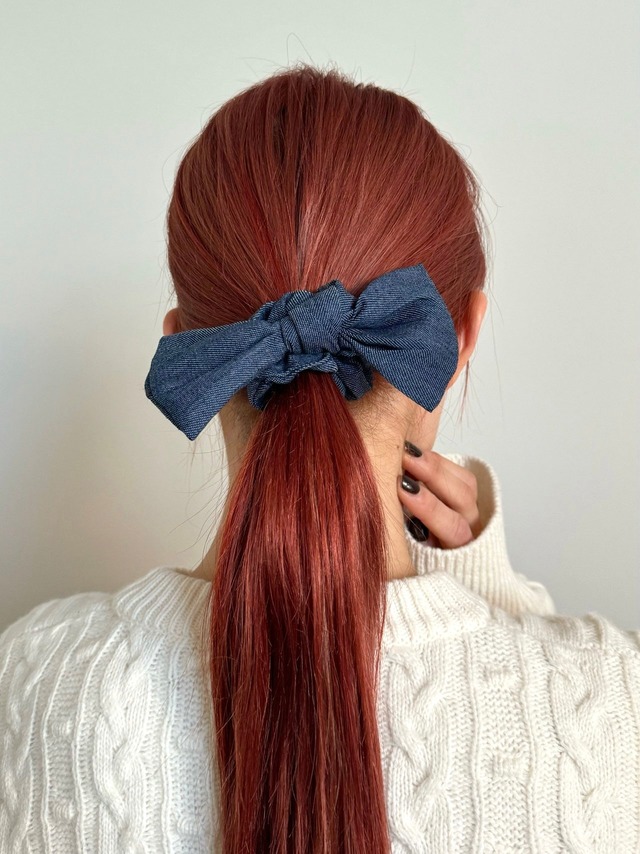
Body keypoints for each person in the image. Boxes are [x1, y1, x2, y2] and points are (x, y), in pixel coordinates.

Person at [1, 63, 638, 854]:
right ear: (460, 338)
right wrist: (490, 588)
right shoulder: (609, 703)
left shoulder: (34, 679)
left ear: (187, 350)